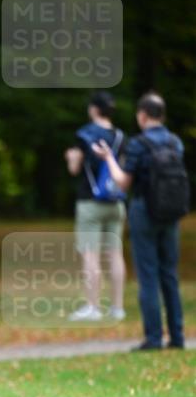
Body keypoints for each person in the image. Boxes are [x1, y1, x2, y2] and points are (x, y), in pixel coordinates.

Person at [92, 92, 188, 351]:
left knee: (148, 275)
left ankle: (153, 338)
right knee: (170, 274)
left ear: (143, 115)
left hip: (145, 210)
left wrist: (108, 158)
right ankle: (177, 336)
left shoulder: (138, 144)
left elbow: (123, 182)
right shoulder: (175, 142)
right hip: (171, 213)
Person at [64, 91, 126, 321]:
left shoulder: (84, 134)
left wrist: (70, 158)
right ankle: (118, 308)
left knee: (90, 254)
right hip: (116, 201)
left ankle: (93, 307)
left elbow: (74, 168)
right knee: (115, 254)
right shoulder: (120, 136)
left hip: (90, 202)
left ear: (94, 109)